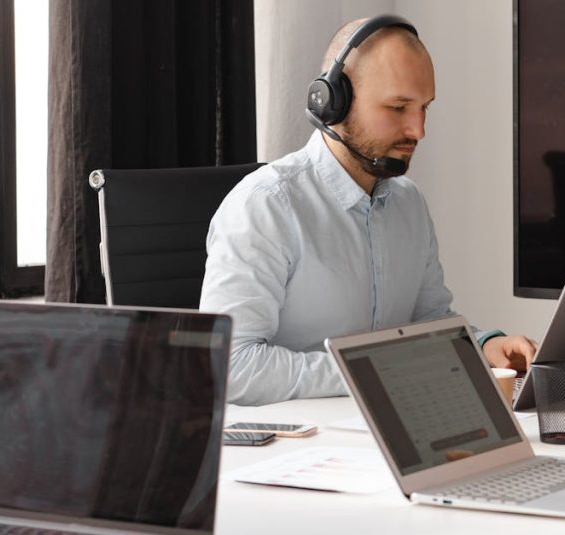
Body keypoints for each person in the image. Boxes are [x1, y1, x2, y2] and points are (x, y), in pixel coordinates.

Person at [200, 16, 536, 406]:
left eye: (424, 107)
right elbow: (229, 367)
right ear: (332, 102)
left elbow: (427, 321)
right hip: (303, 444)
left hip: (391, 426)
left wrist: (482, 345)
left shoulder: (408, 203)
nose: (418, 130)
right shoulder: (266, 206)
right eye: (397, 107)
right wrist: (377, 372)